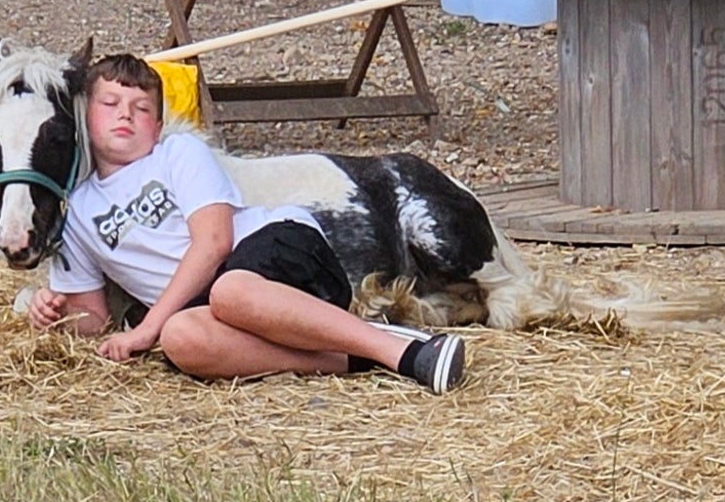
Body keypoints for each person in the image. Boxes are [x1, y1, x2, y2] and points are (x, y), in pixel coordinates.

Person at [27, 54, 466, 394]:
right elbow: (94, 318)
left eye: (141, 107)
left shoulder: (177, 154)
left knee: (229, 290)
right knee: (180, 340)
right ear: (85, 117)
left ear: (158, 126)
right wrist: (55, 314)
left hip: (277, 250)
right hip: (213, 307)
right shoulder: (78, 210)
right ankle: (357, 355)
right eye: (110, 103)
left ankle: (408, 353)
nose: (126, 114)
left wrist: (145, 329)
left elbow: (214, 242)